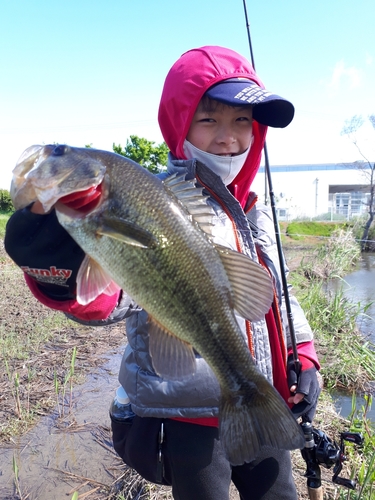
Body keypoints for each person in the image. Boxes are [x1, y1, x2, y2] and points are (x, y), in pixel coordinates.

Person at [5, 45, 321, 500]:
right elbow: (112, 297)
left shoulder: (257, 211)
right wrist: (59, 276)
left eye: (242, 122)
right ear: (181, 123)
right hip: (188, 418)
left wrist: (304, 354)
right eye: (209, 120)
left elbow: (278, 295)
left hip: (261, 395)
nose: (229, 136)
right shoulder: (153, 198)